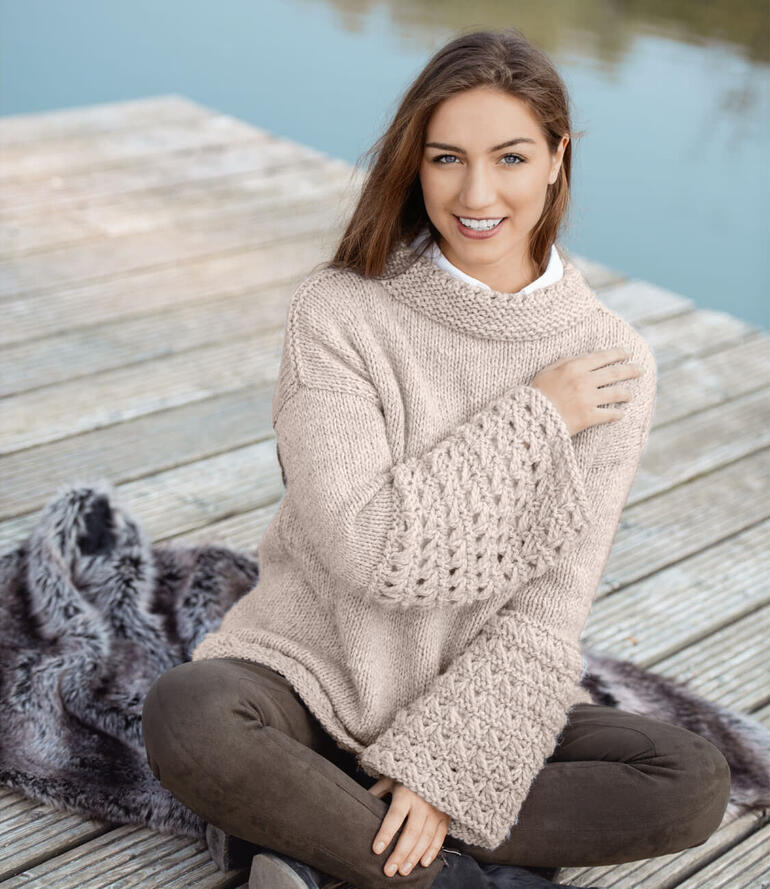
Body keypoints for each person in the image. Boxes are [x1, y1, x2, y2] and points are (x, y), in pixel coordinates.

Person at [141, 27, 731, 889]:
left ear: (558, 158)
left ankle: (315, 839)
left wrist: (450, 765)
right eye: (446, 158)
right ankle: (453, 877)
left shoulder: (612, 361)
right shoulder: (341, 312)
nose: (478, 191)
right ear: (414, 166)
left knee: (691, 783)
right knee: (187, 715)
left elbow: (547, 611)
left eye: (512, 158)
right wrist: (535, 417)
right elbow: (364, 544)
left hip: (480, 700)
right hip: (310, 677)